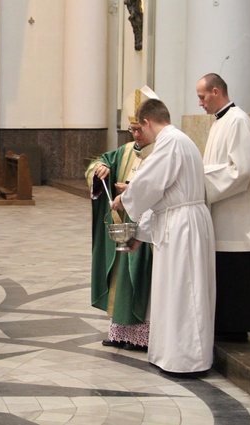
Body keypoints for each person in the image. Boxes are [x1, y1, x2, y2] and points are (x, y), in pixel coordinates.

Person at [111, 98, 216, 374]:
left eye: (139, 128)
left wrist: (125, 199)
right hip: (182, 221)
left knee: (184, 291)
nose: (139, 136)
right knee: (177, 291)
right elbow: (162, 197)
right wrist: (140, 234)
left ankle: (186, 359)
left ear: (147, 121)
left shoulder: (170, 141)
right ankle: (174, 355)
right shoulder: (182, 140)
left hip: (182, 226)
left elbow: (150, 183)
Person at [196, 73, 250, 342]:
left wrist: (202, 181)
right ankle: (223, 325)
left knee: (235, 273)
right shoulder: (219, 123)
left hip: (235, 216)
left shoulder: (238, 121)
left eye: (202, 96)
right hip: (220, 211)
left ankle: (235, 328)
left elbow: (241, 170)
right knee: (223, 270)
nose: (200, 103)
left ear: (216, 91)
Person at [85, 114, 153, 351]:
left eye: (140, 129)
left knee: (141, 278)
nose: (136, 135)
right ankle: (120, 333)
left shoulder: (161, 152)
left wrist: (133, 190)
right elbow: (100, 162)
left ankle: (141, 336)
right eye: (132, 129)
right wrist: (100, 169)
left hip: (147, 227)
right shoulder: (124, 151)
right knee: (120, 277)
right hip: (124, 226)